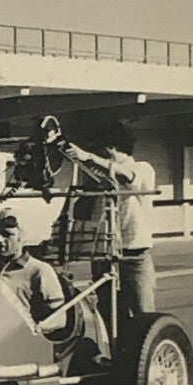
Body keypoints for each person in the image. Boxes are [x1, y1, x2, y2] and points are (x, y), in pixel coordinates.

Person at [53, 119, 159, 317]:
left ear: (110, 148)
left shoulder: (143, 169)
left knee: (143, 314)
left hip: (134, 256)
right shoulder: (99, 176)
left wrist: (89, 157)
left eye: (98, 149)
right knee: (107, 314)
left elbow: (126, 177)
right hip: (103, 254)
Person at [0, 209, 67, 333]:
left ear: (21, 236)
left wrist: (38, 327)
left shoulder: (40, 271)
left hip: (19, 342)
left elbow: (60, 319)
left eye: (7, 234)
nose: (0, 239)